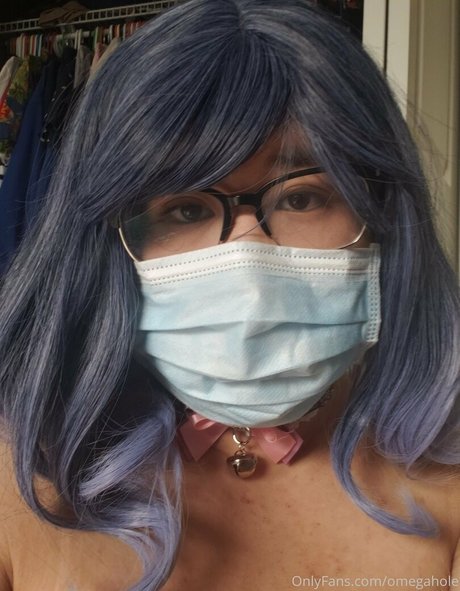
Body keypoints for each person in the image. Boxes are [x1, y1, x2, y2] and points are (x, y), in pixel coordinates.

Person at [0, 1, 459, 590]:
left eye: (302, 198)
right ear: (104, 239)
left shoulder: (444, 474)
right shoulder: (19, 472)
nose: (248, 262)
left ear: (385, 216)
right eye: (186, 209)